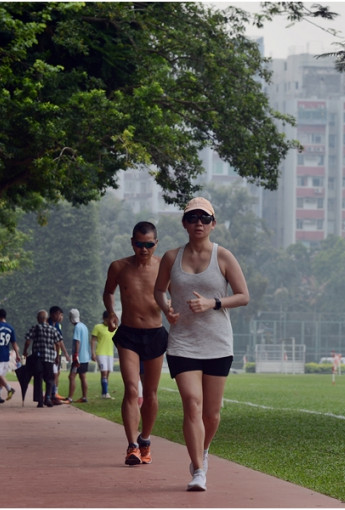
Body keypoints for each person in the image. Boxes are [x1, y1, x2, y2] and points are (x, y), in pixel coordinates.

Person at [154, 197, 250, 491]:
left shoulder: (224, 257)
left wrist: (214, 302)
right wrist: (166, 308)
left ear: (213, 224)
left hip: (218, 343)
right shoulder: (171, 257)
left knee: (211, 413)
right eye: (193, 218)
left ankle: (203, 450)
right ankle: (198, 470)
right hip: (183, 343)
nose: (198, 223)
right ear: (184, 223)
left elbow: (243, 295)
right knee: (191, 405)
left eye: (204, 218)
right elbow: (159, 290)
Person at [103, 221, 168, 466]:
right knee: (132, 389)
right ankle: (131, 446)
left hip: (155, 333)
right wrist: (111, 312)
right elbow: (108, 292)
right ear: (132, 242)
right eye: (139, 244)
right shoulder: (119, 267)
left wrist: (173, 310)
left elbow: (176, 293)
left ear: (156, 244)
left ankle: (145, 440)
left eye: (149, 244)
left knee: (150, 393)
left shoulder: (164, 267)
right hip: (128, 333)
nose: (144, 249)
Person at [23, 309, 68, 408]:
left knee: (38, 378)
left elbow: (28, 340)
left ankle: (40, 401)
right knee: (50, 379)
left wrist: (25, 351)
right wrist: (56, 356)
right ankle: (47, 397)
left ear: (38, 319)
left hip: (38, 358)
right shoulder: (53, 329)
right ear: (46, 318)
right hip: (49, 359)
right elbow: (58, 343)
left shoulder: (35, 328)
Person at [0, 309, 21, 402]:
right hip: (6, 354)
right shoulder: (10, 327)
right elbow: (14, 343)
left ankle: (9, 388)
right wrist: (17, 354)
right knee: (1, 375)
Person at [91, 310, 116, 399]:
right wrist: (93, 352)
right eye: (107, 319)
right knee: (104, 372)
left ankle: (104, 393)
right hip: (101, 353)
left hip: (110, 353)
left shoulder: (113, 328)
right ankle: (106, 393)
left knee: (108, 373)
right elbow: (93, 340)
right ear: (104, 319)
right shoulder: (98, 327)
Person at [67, 308, 90, 403]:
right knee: (83, 377)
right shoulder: (84, 326)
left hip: (79, 357)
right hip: (85, 357)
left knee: (72, 376)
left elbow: (77, 341)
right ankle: (84, 397)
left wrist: (76, 355)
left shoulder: (77, 327)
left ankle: (70, 398)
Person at [48, 306, 68, 404]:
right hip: (49, 353)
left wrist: (65, 353)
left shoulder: (56, 325)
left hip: (55, 353)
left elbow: (60, 341)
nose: (60, 316)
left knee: (55, 374)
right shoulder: (48, 324)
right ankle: (50, 395)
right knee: (52, 374)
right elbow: (55, 341)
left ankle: (53, 394)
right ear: (54, 314)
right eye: (59, 314)